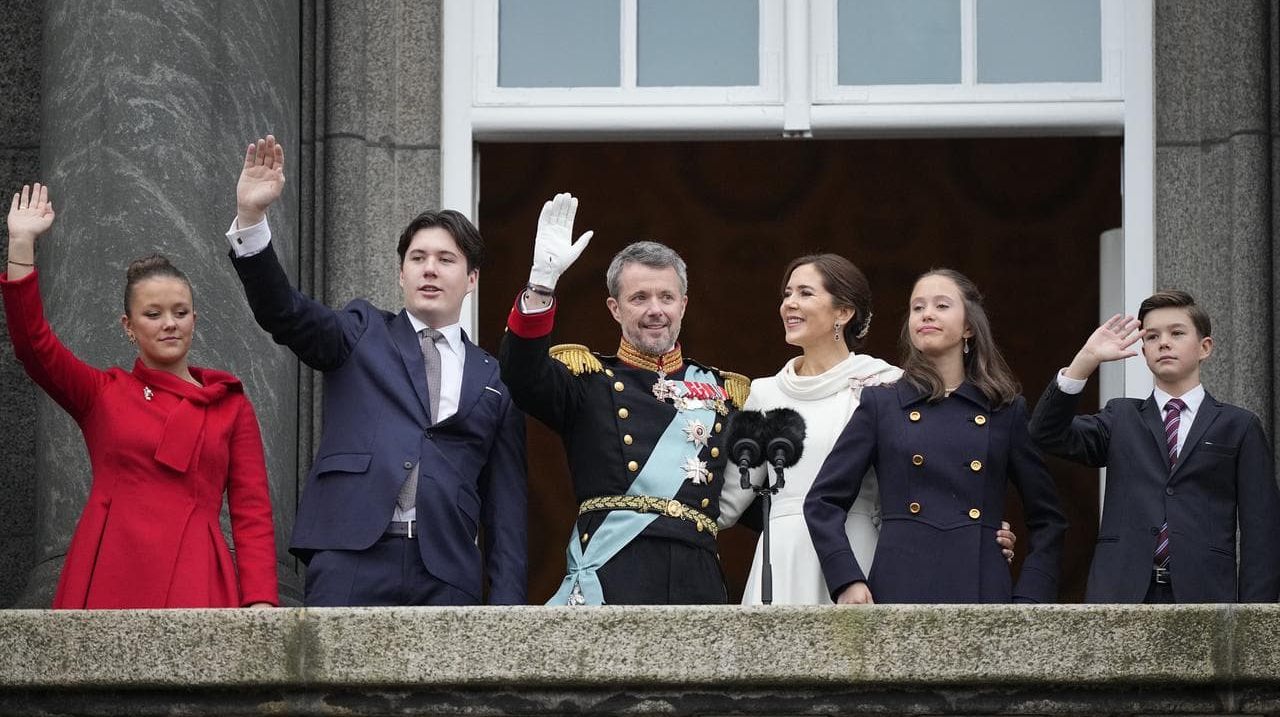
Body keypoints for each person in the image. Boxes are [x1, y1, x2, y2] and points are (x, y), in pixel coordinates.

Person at [226, 135, 527, 606]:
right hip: (350, 554)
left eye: (446, 260)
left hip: (446, 572)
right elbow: (283, 312)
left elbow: (507, 511)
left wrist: (509, 613)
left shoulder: (492, 379)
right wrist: (252, 220)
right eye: (418, 259)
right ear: (400, 274)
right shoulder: (361, 332)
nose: (430, 269)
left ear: (471, 279)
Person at [2, 183, 278, 608]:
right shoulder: (103, 394)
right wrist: (21, 244)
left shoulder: (230, 405)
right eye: (153, 314)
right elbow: (34, 347)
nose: (169, 323)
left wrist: (260, 602)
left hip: (198, 573)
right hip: (110, 567)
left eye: (180, 312)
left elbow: (252, 512)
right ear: (128, 326)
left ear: (194, 319)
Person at [720, 255, 1016, 604]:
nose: (790, 304)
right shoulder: (763, 392)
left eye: (805, 293)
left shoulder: (887, 386)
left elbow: (940, 472)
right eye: (787, 294)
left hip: (857, 552)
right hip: (784, 556)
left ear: (843, 313)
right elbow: (728, 503)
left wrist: (981, 531)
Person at [499, 193, 748, 605]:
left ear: (683, 305)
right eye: (639, 298)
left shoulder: (723, 393)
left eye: (666, 298)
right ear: (614, 308)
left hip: (698, 580)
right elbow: (522, 375)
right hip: (615, 575)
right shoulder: (588, 380)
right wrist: (541, 286)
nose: (655, 310)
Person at [805, 268, 1066, 604]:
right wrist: (846, 580)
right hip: (899, 585)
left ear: (969, 326)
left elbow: (1049, 519)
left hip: (983, 589)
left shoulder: (1005, 411)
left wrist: (1031, 599)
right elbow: (822, 502)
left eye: (942, 306)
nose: (926, 313)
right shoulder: (881, 404)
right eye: (917, 307)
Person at [1027, 291, 1280, 603]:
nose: (1164, 343)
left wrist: (1256, 619)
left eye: (1177, 333)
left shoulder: (1239, 425)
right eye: (1152, 336)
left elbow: (1262, 531)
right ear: (1144, 351)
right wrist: (1085, 360)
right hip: (1121, 592)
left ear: (1205, 348)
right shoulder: (1120, 417)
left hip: (1206, 593)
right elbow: (1045, 434)